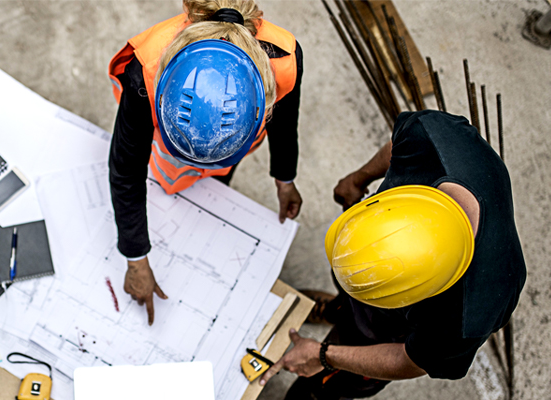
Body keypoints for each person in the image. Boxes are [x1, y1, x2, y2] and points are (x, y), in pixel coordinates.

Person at [259, 110, 527, 399]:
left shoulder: (471, 312)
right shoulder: (432, 138)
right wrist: (359, 178)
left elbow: (410, 361)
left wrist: (324, 356)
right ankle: (341, 309)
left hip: (389, 333)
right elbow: (397, 146)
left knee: (328, 385)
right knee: (351, 292)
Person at [108, 0, 304, 325]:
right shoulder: (145, 72)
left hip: (233, 150)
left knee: (212, 189)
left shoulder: (283, 59)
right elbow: (127, 169)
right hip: (168, 158)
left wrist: (285, 177)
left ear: (263, 105)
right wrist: (136, 258)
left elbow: (286, 123)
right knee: (169, 183)